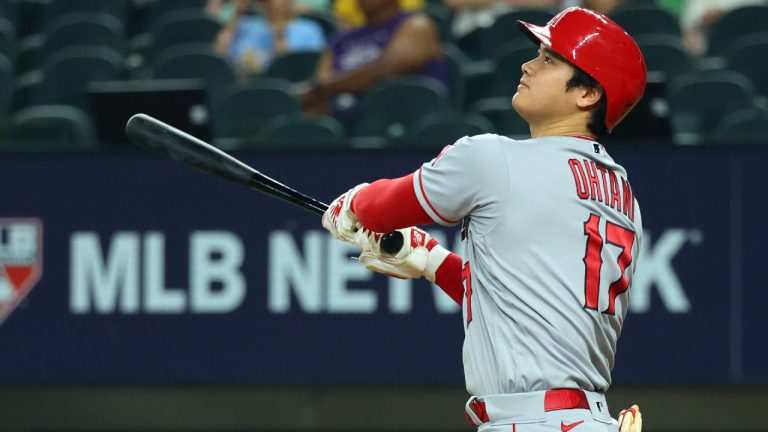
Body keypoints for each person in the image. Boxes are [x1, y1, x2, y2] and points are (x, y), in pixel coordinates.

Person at [321, 7, 646, 432]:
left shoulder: (494, 158)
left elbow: (379, 207)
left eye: (549, 60)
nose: (528, 65)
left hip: (534, 422)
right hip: (583, 419)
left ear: (587, 94)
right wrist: (434, 262)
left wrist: (351, 206)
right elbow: (527, 305)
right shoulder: (624, 196)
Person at [296, 0, 448, 122]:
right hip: (347, 124)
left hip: (406, 126)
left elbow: (390, 68)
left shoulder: (417, 24)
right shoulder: (341, 39)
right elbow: (321, 80)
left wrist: (326, 88)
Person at [214, 0, 326, 74]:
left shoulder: (310, 30)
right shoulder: (246, 24)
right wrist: (239, 11)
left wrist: (279, 31)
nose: (268, 4)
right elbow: (219, 56)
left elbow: (295, 71)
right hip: (247, 89)